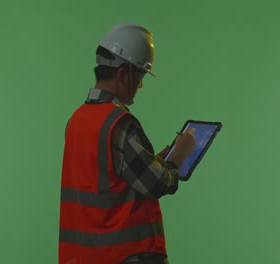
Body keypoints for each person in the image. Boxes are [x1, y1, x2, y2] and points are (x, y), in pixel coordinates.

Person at [59, 23, 197, 264]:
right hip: (125, 256)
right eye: (141, 75)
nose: (141, 85)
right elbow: (157, 184)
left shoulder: (77, 120)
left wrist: (155, 161)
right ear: (123, 74)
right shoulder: (118, 123)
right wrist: (180, 155)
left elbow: (110, 179)